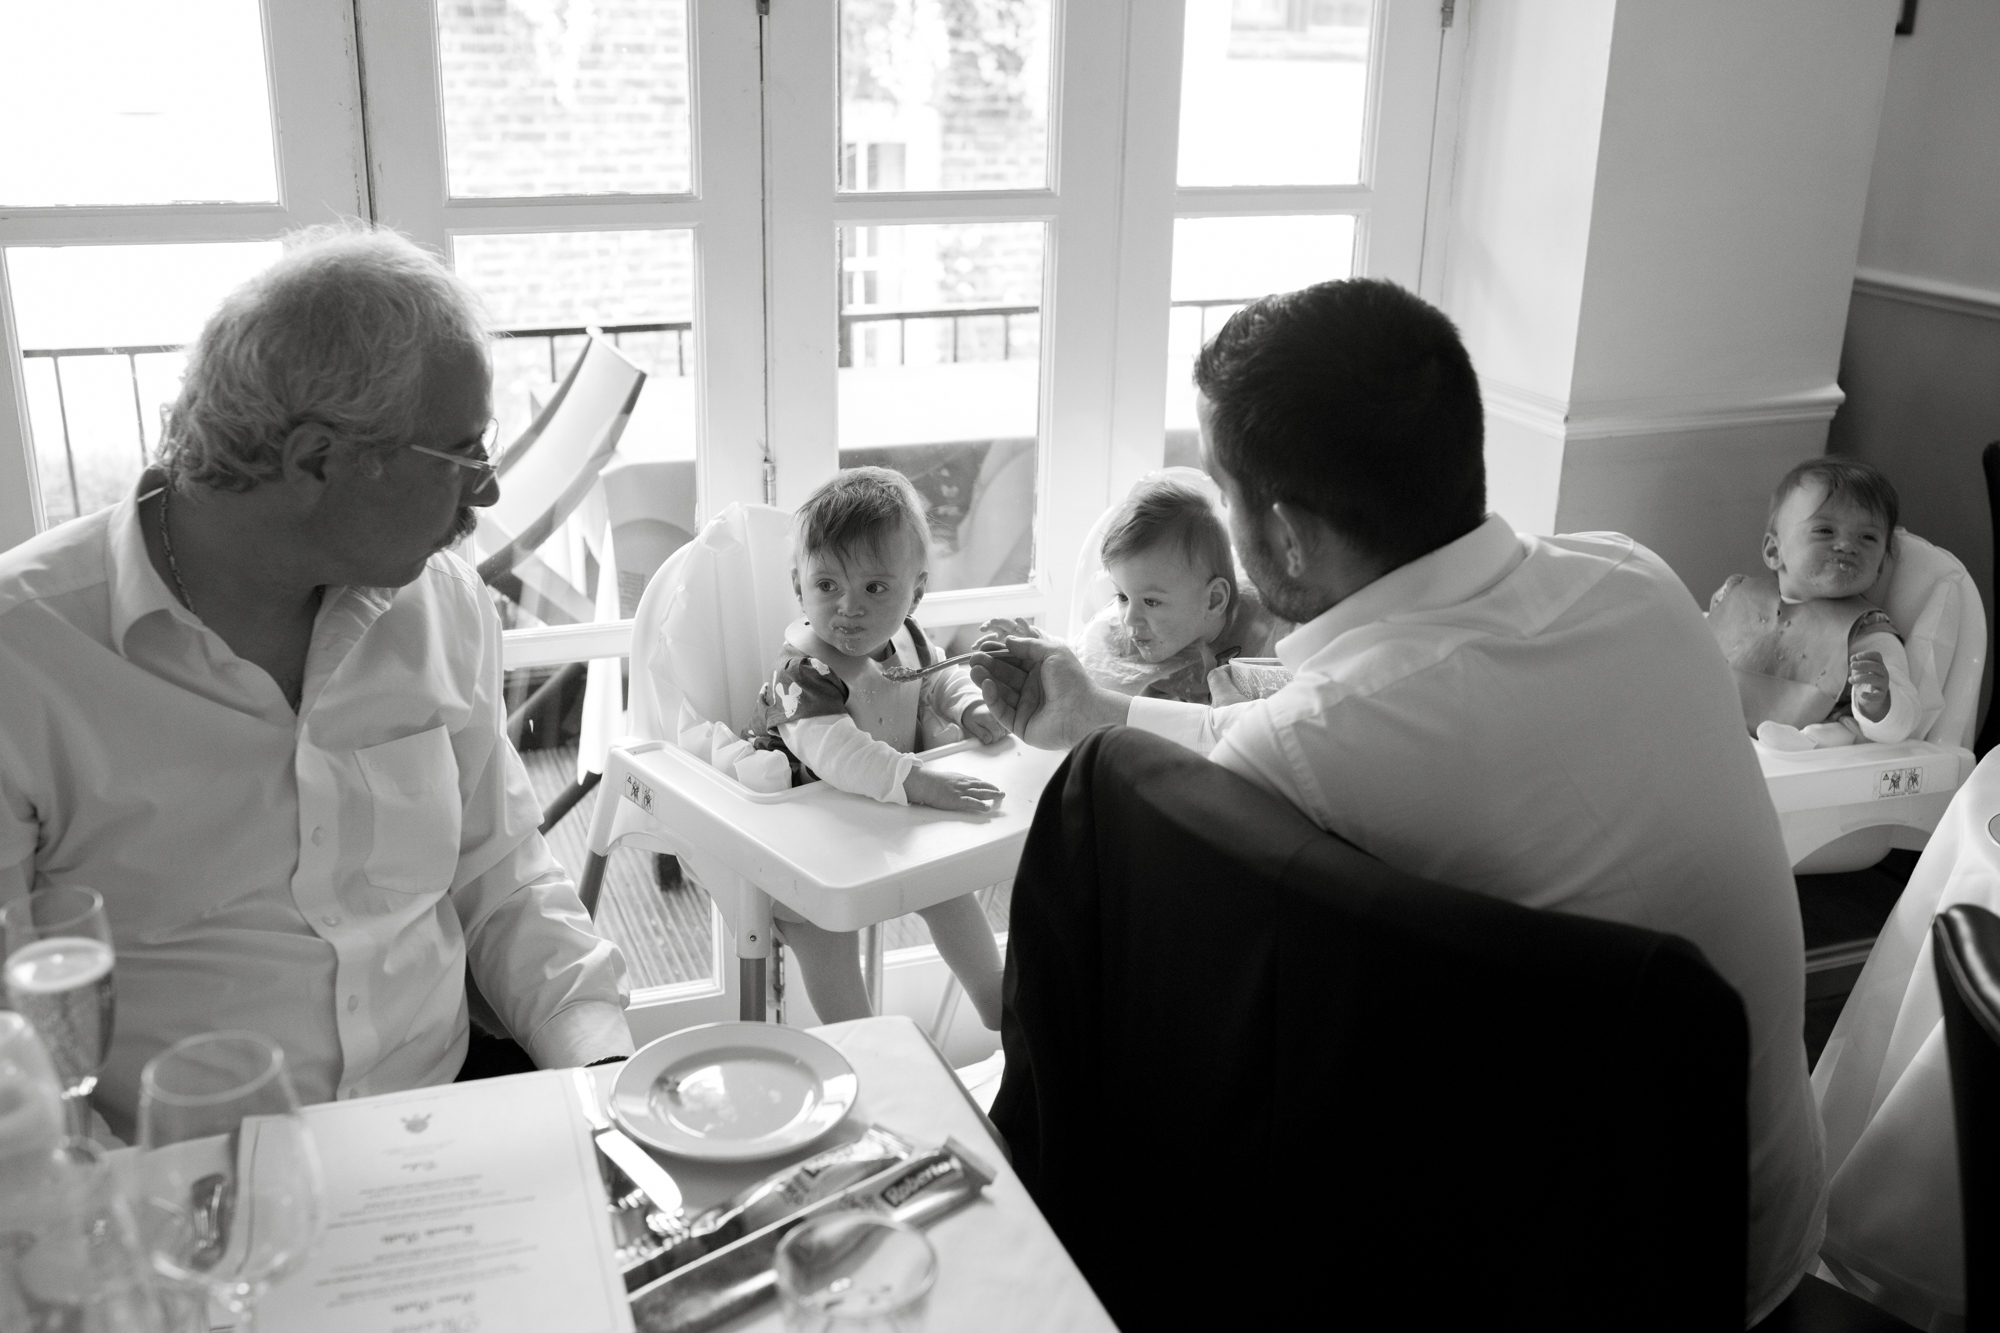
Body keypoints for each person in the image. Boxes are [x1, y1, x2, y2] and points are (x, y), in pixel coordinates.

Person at [973, 277, 1826, 1324]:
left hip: (1572, 1281)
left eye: (1228, 501)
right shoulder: (1634, 578)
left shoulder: (1314, 744)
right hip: (1753, 1232)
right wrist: (1101, 708)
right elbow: (1329, 726)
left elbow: (1293, 750)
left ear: (1282, 538)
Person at [0, 224, 633, 1140]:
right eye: (462, 452)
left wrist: (601, 1064)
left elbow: (498, 871)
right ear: (315, 462)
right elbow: (14, 1040)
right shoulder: (28, 655)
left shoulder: (442, 601)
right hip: (173, 1176)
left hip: (445, 1133)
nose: (488, 491)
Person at [742, 467, 1009, 1028]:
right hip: (812, 844)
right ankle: (863, 1042)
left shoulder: (905, 641)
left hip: (883, 822)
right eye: (827, 586)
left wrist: (970, 707)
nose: (849, 608)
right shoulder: (802, 674)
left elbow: (936, 677)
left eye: (876, 588)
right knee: (824, 934)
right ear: (799, 586)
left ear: (917, 592)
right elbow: (837, 752)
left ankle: (1000, 1005)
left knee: (948, 889)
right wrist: (919, 781)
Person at [1707, 459, 1917, 751]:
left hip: (1804, 764)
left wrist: (1879, 702)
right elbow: (1696, 653)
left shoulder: (1869, 634)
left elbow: (1904, 722)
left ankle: (1808, 740)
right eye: (1824, 531)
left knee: (1845, 732)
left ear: (1880, 566)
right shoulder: (1734, 596)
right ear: (1773, 551)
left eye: (1867, 537)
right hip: (1716, 739)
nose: (1846, 545)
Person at [1068, 474, 1283, 705]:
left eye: (1151, 602)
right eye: (1122, 597)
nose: (1130, 620)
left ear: (1213, 600)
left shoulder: (1268, 630)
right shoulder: (1122, 641)